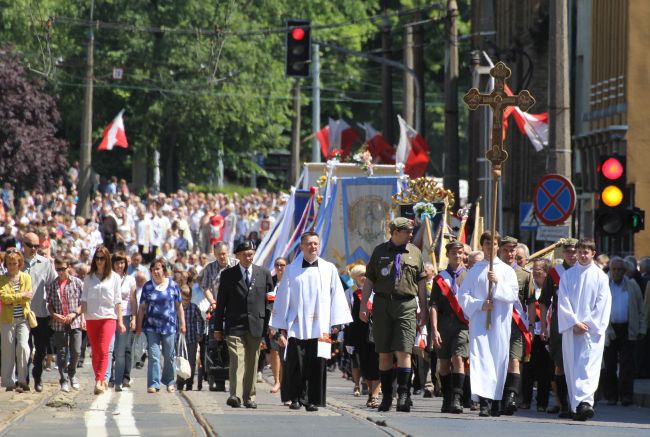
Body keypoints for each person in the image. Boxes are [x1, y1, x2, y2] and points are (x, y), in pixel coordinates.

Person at [270, 231, 352, 412]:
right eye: (309, 243)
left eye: (315, 243)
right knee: (296, 362)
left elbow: (336, 295)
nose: (312, 247)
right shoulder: (291, 269)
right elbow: (283, 297)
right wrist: (279, 325)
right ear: (302, 246)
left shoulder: (329, 268)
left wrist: (336, 323)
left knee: (316, 363)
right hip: (297, 324)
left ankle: (313, 399)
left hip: (321, 326)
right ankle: (296, 397)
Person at [359, 217, 428, 413]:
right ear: (395, 232)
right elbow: (370, 280)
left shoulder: (415, 252)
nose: (410, 234)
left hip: (406, 305)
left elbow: (421, 283)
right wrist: (364, 304)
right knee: (384, 353)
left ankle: (404, 395)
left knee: (404, 351)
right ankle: (387, 396)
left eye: (411, 231)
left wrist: (423, 307)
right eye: (406, 231)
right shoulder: (380, 251)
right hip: (382, 304)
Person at [458, 231, 519, 417]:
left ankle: (496, 401)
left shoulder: (507, 271)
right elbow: (463, 296)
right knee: (481, 359)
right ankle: (484, 401)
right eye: (486, 244)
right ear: (482, 246)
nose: (490, 247)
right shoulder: (474, 270)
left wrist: (497, 283)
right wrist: (480, 305)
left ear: (497, 247)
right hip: (479, 323)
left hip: (500, 323)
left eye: (493, 244)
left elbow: (513, 295)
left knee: (499, 359)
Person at [213, 240, 273, 409]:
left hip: (257, 324)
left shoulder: (264, 274)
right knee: (237, 360)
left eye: (251, 254)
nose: (248, 257)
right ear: (238, 256)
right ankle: (235, 395)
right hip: (234, 325)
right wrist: (218, 327)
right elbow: (221, 303)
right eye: (245, 254)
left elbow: (270, 302)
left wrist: (268, 324)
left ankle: (249, 397)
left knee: (252, 362)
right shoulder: (228, 275)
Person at [557, 239, 612, 421]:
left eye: (586, 252)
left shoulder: (600, 277)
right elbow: (563, 301)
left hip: (591, 331)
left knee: (588, 367)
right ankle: (577, 406)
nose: (581, 255)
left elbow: (602, 304)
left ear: (593, 253)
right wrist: (573, 322)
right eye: (579, 252)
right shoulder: (567, 275)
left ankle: (585, 403)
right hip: (572, 330)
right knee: (572, 366)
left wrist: (587, 324)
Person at [539, 238, 578, 417]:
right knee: (560, 365)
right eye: (569, 251)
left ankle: (578, 403)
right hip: (559, 325)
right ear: (563, 253)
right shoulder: (555, 273)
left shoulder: (584, 272)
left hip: (580, 324)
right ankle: (563, 404)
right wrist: (543, 326)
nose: (572, 254)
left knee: (579, 365)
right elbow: (545, 301)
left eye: (575, 251)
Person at [136, 258, 186, 393]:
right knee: (154, 355)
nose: (156, 272)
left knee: (169, 355)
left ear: (164, 270)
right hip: (151, 327)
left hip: (169, 326)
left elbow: (179, 305)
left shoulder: (173, 285)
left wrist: (183, 323)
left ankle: (170, 381)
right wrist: (139, 326)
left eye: (158, 269)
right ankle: (153, 383)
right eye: (153, 269)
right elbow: (142, 308)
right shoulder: (148, 286)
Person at [81, 246, 126, 395]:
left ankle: (100, 379)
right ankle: (99, 378)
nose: (99, 261)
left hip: (108, 317)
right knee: (95, 351)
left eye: (102, 258)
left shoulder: (114, 277)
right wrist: (80, 316)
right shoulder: (89, 278)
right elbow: (84, 301)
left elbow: (117, 301)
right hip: (92, 317)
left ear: (107, 260)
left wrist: (120, 321)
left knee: (103, 348)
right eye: (97, 258)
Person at [430, 241, 468, 414]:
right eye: (454, 253)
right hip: (444, 324)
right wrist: (435, 329)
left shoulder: (469, 275)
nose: (457, 256)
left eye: (460, 253)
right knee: (444, 363)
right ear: (447, 255)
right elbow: (434, 306)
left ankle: (457, 398)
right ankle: (446, 396)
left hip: (462, 325)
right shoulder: (440, 278)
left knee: (458, 358)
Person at [603, 256, 646, 406]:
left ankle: (626, 396)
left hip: (628, 328)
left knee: (627, 365)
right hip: (609, 329)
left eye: (620, 269)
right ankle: (611, 396)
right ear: (610, 270)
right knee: (609, 364)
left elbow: (641, 309)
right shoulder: (604, 284)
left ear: (625, 271)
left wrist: (641, 328)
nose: (617, 272)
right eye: (614, 269)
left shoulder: (632, 286)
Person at [497, 236, 533, 415]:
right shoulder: (492, 270)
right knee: (498, 362)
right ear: (500, 250)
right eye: (506, 250)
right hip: (496, 322)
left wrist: (532, 325)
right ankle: (498, 396)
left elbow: (530, 301)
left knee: (514, 360)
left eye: (512, 250)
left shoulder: (525, 275)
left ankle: (512, 396)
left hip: (516, 324)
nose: (509, 253)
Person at [22, 231, 57, 392]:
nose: (34, 249)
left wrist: (54, 311)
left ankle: (37, 376)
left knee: (41, 349)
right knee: (24, 348)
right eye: (31, 246)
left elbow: (54, 286)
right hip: (22, 314)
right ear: (24, 245)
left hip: (41, 313)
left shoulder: (45, 263)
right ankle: (24, 379)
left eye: (37, 246)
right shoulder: (17, 263)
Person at [344, 264, 381, 408]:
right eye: (360, 275)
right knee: (365, 365)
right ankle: (371, 392)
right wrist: (347, 338)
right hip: (359, 333)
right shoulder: (351, 293)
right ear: (355, 277)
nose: (364, 277)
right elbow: (348, 316)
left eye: (366, 274)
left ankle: (375, 395)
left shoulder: (377, 293)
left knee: (378, 363)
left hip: (377, 332)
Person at [46, 256, 84, 392]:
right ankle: (63, 379)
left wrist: (75, 314)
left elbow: (83, 303)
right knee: (61, 353)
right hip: (59, 322)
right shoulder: (53, 284)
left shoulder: (77, 283)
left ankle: (72, 374)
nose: (60, 272)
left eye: (63, 269)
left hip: (75, 321)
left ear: (68, 267)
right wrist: (54, 314)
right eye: (58, 269)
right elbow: (49, 304)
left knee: (76, 351)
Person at [0, 248, 33, 393]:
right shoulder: (2, 279)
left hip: (23, 319)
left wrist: (14, 297)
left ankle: (22, 380)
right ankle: (8, 381)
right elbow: (4, 298)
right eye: (9, 263)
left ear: (19, 263)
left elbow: (29, 296)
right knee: (7, 351)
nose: (12, 266)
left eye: (14, 263)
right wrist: (20, 296)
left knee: (23, 347)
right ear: (6, 264)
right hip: (7, 319)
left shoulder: (26, 277)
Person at [522, 258, 553, 411]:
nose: (534, 273)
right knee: (528, 367)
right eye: (533, 270)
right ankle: (526, 400)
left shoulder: (551, 287)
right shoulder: (530, 286)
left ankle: (542, 402)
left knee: (545, 370)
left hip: (546, 331)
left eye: (538, 271)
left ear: (546, 273)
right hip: (530, 330)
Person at [111, 251, 137, 392]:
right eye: (117, 262)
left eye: (122, 263)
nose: (120, 265)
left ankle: (121, 379)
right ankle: (109, 378)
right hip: (110, 316)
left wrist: (134, 317)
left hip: (125, 316)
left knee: (123, 349)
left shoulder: (130, 279)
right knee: (111, 349)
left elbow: (133, 301)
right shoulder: (108, 278)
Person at [176, 285, 205, 391]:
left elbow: (200, 321)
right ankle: (180, 382)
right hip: (179, 340)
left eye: (188, 299)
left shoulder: (193, 307)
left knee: (191, 362)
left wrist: (200, 334)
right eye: (183, 299)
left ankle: (189, 382)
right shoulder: (176, 307)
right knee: (180, 360)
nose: (186, 302)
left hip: (191, 339)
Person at [267, 257, 288, 394]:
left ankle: (285, 380)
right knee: (274, 351)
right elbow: (267, 303)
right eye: (277, 265)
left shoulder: (289, 282)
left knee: (285, 353)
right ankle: (277, 381)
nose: (279, 267)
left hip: (287, 323)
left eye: (282, 265)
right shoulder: (270, 283)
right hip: (273, 322)